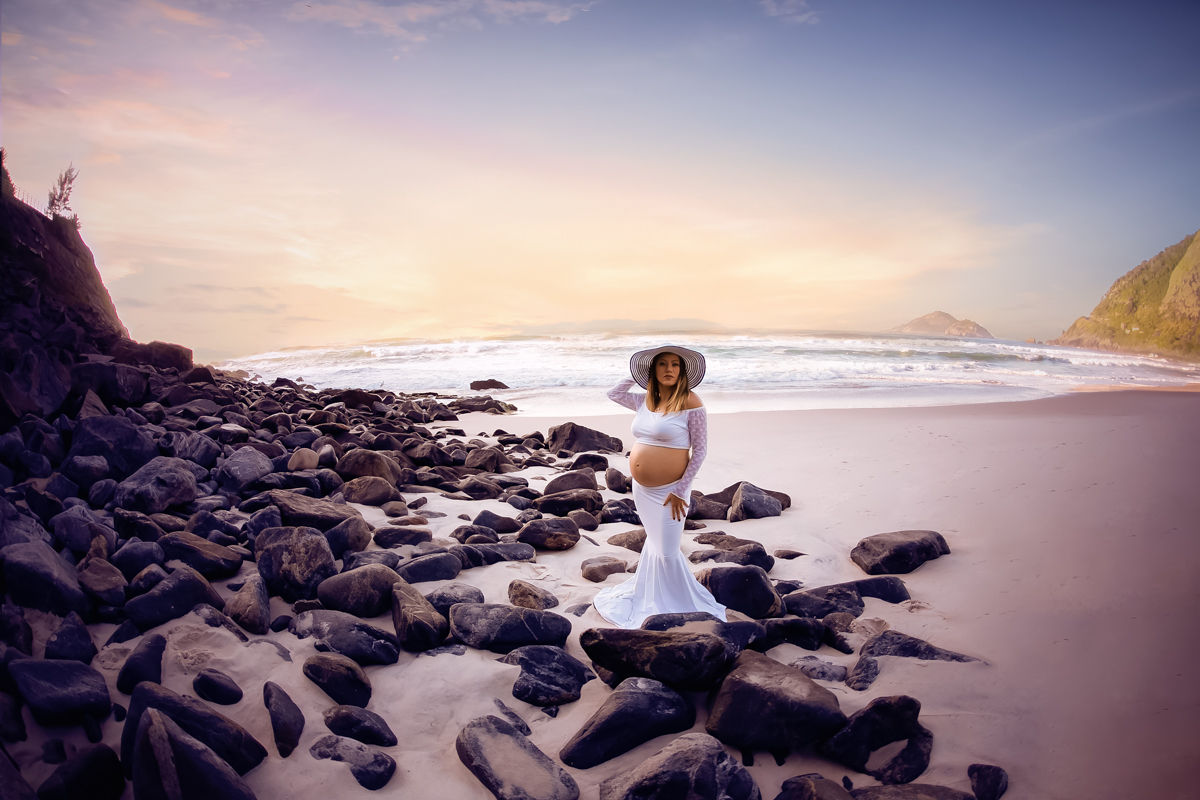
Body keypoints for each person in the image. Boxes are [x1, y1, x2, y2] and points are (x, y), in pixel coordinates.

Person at [591, 344, 726, 628]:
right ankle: (650, 595)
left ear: (683, 371)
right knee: (654, 543)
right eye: (662, 364)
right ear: (653, 371)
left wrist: (681, 489)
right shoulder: (643, 401)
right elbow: (613, 393)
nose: (669, 370)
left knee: (666, 549)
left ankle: (679, 602)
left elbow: (699, 451)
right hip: (642, 489)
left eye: (675, 365)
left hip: (672, 491)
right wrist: (636, 374)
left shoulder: (691, 402)